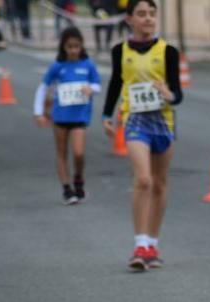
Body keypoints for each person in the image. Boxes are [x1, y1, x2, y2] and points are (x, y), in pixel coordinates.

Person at [101, 0, 183, 272]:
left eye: (151, 14)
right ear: (129, 20)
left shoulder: (168, 51)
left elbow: (178, 93)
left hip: (163, 122)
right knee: (144, 179)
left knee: (159, 184)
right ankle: (139, 244)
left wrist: (169, 94)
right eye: (141, 14)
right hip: (135, 121)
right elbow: (116, 82)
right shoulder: (120, 51)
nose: (147, 19)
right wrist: (107, 115)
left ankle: (152, 244)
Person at [33, 26, 101, 204]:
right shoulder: (57, 67)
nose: (73, 51)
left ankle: (78, 178)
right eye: (69, 47)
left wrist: (91, 89)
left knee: (78, 152)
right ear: (63, 47)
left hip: (79, 116)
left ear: (82, 46)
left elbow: (98, 85)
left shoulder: (88, 65)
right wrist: (39, 112)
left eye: (76, 46)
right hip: (60, 116)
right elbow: (43, 88)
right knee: (61, 152)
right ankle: (66, 189)